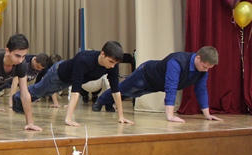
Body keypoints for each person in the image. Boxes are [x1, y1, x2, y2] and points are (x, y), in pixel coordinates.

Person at [13, 41, 134, 127]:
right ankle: (17, 97)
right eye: (111, 61)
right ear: (102, 54)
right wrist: (68, 119)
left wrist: (121, 116)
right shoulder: (84, 59)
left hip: (66, 81)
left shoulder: (112, 65)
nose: (112, 66)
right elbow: (76, 91)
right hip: (57, 74)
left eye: (115, 63)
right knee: (39, 91)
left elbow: (115, 90)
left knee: (44, 93)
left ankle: (21, 101)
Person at [92, 46, 223, 123]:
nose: (206, 70)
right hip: (145, 74)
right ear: (198, 58)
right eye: (205, 66)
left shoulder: (202, 71)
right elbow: (171, 87)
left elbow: (201, 90)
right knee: (124, 89)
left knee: (130, 94)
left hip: (155, 84)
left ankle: (108, 103)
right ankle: (100, 101)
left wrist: (207, 114)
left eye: (208, 68)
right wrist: (170, 116)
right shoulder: (177, 62)